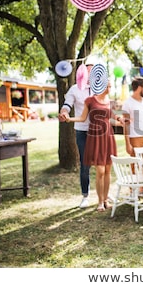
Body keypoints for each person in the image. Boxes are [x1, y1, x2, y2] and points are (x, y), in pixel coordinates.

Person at [64, 73, 119, 212]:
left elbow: (113, 118)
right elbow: (83, 118)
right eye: (108, 86)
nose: (109, 89)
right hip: (95, 136)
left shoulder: (109, 101)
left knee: (107, 171)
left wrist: (123, 121)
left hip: (108, 136)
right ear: (101, 85)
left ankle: (106, 200)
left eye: (110, 86)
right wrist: (69, 119)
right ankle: (99, 202)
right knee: (100, 171)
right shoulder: (90, 100)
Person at [58, 63, 93, 209]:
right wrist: (64, 113)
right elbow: (67, 105)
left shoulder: (101, 89)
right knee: (85, 165)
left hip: (100, 131)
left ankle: (104, 195)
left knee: (103, 164)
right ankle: (85, 195)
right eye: (90, 72)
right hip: (82, 131)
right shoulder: (75, 89)